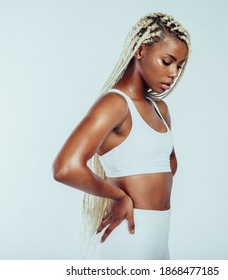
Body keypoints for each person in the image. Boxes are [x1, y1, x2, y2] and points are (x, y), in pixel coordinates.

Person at [52, 12, 191, 259]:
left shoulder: (160, 109)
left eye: (179, 66)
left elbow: (166, 166)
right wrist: (118, 195)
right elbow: (65, 167)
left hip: (159, 238)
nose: (173, 73)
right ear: (140, 51)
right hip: (128, 238)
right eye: (167, 61)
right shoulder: (115, 104)